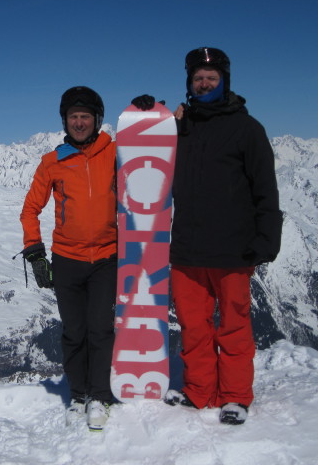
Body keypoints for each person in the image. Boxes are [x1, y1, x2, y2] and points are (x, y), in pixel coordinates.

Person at [133, 47, 283, 425]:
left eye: (211, 78)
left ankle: (234, 396)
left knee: (233, 327)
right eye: (198, 78)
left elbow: (265, 188)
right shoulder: (181, 126)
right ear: (190, 83)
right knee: (194, 326)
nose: (204, 83)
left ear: (223, 83)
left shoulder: (247, 129)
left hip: (234, 247)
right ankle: (199, 390)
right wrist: (148, 112)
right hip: (186, 248)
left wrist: (268, 237)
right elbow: (140, 153)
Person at [19, 86, 117, 431]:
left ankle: (100, 395)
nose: (79, 122)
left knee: (100, 330)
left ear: (97, 120)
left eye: (85, 116)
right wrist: (35, 252)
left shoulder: (115, 153)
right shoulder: (53, 161)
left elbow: (155, 155)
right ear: (65, 120)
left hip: (107, 257)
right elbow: (30, 209)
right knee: (74, 332)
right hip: (67, 260)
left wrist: (151, 115)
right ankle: (78, 395)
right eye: (73, 116)